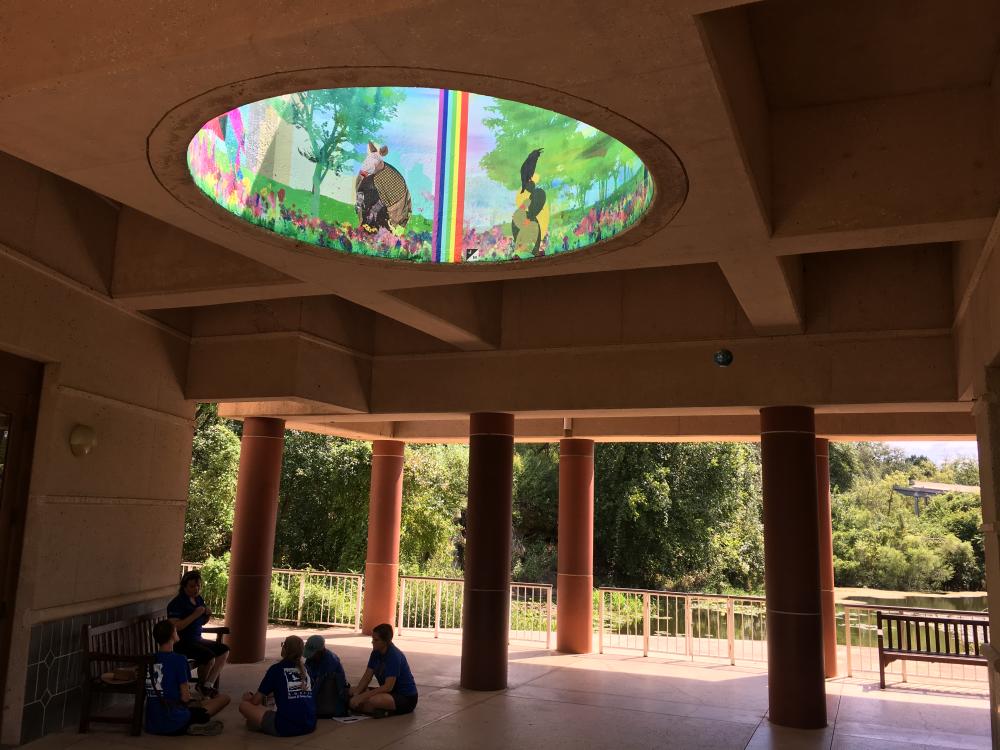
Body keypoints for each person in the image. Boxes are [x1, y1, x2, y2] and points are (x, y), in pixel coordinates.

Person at [145, 620, 229, 736]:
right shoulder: (179, 660)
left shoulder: (150, 659)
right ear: (172, 635)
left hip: (153, 722)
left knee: (200, 703)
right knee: (224, 699)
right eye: (175, 630)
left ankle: (190, 724)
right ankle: (189, 726)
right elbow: (185, 698)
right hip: (175, 719)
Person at [239, 635, 316, 736]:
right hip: (309, 724)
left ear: (284, 648)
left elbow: (255, 700)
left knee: (245, 704)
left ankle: (257, 722)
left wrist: (249, 697)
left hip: (284, 727)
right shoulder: (307, 669)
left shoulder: (276, 669)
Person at [167, 570, 228, 697]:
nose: (196, 589)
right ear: (184, 586)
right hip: (181, 642)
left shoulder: (198, 599)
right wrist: (195, 615)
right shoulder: (176, 603)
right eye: (192, 586)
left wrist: (207, 615)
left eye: (198, 586)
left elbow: (201, 622)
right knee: (209, 657)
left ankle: (207, 685)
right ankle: (201, 684)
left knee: (224, 650)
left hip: (197, 639)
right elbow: (176, 627)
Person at [349, 623, 418, 718]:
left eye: (376, 640)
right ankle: (375, 710)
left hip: (405, 697)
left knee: (374, 700)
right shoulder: (375, 653)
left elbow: (388, 687)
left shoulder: (394, 656)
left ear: (385, 641)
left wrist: (362, 697)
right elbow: (367, 677)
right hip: (388, 693)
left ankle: (383, 711)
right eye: (372, 639)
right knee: (352, 691)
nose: (372, 642)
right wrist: (356, 694)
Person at [304, 635, 350, 718]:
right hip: (317, 688)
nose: (310, 656)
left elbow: (318, 684)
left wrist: (307, 703)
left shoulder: (330, 661)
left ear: (320, 651)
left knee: (327, 679)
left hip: (331, 693)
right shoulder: (312, 658)